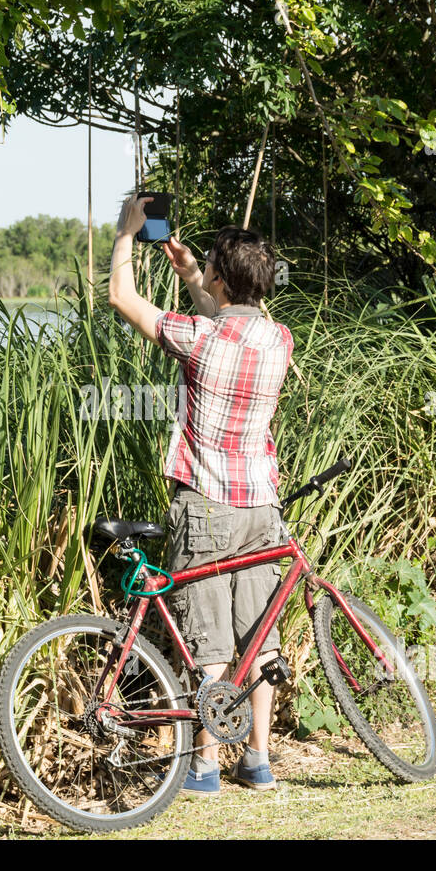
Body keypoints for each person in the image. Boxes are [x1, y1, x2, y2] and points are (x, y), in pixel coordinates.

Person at [106, 193, 294, 795]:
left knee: (209, 637)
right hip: (262, 505)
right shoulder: (278, 341)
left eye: (209, 267)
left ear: (222, 276)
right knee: (258, 634)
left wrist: (126, 235)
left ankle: (206, 765)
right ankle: (258, 762)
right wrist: (192, 273)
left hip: (206, 505)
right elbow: (229, 319)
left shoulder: (199, 339)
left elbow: (122, 300)